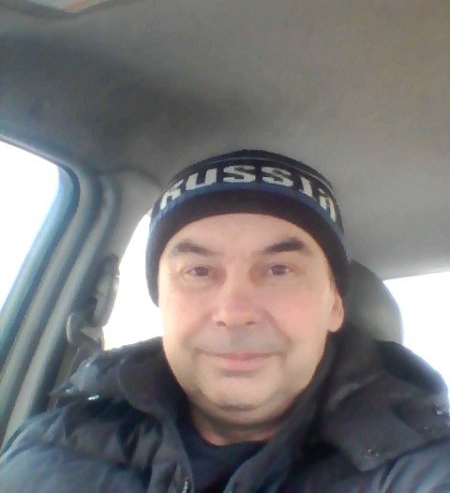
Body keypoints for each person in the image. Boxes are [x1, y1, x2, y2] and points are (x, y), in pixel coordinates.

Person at [1, 149, 450, 492]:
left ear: (334, 305)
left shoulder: (425, 469)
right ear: (162, 300)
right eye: (198, 271)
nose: (234, 313)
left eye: (279, 270)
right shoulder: (47, 447)